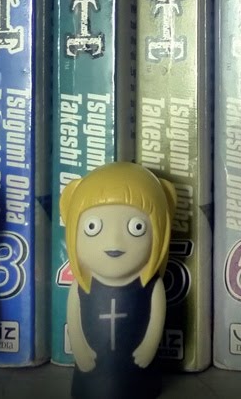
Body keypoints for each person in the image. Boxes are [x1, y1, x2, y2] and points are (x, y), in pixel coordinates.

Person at [62, 162, 176, 399]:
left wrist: (148, 347)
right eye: (92, 227)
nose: (114, 241)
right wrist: (80, 350)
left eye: (136, 227)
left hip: (141, 373)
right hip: (89, 376)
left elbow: (156, 322)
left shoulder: (152, 286)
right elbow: (74, 320)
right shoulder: (81, 286)